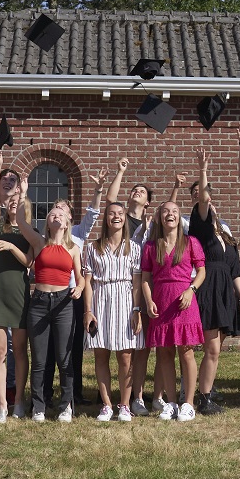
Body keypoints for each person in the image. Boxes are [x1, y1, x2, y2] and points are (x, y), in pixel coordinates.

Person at [188, 151, 240, 416]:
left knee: (216, 348)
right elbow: (203, 199)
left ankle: (205, 394)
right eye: (205, 199)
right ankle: (201, 397)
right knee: (211, 346)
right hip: (208, 288)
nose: (208, 203)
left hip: (225, 291)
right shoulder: (198, 228)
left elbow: (235, 268)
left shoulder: (224, 233)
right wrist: (203, 170)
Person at [140, 200, 206, 421]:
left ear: (180, 217)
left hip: (183, 301)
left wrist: (191, 290)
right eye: (166, 211)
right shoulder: (151, 246)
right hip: (161, 301)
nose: (170, 214)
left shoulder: (190, 242)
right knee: (164, 353)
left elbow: (202, 271)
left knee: (186, 352)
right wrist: (148, 301)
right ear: (159, 217)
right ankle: (170, 403)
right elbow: (146, 278)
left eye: (175, 211)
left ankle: (188, 403)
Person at [83, 197, 145, 421]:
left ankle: (125, 405)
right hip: (101, 299)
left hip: (125, 301)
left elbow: (137, 283)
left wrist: (137, 309)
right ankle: (107, 405)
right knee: (101, 354)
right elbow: (88, 282)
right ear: (106, 219)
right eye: (111, 213)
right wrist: (88, 310)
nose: (116, 216)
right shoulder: (92, 248)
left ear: (125, 219)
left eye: (120, 213)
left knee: (126, 357)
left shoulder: (135, 249)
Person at [25, 198, 86, 423]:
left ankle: (65, 406)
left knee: (65, 357)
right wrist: (23, 194)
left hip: (64, 303)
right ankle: (38, 406)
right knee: (39, 360)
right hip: (39, 302)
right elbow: (22, 222)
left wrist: (79, 288)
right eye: (52, 214)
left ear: (67, 223)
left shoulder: (73, 248)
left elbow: (80, 278)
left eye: (61, 214)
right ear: (48, 223)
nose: (57, 216)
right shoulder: (40, 243)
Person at [0, 159, 32, 422]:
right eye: (10, 201)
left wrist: (12, 248)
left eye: (18, 202)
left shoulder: (28, 232)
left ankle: (20, 401)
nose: (13, 204)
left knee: (20, 351)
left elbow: (30, 262)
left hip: (19, 292)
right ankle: (2, 404)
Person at [104, 158, 154, 413]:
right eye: (135, 189)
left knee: (141, 346)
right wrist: (121, 170)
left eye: (142, 191)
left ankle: (138, 396)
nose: (137, 191)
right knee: (124, 345)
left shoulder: (150, 225)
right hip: (121, 288)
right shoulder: (121, 218)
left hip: (142, 285)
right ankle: (122, 396)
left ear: (147, 203)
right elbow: (111, 199)